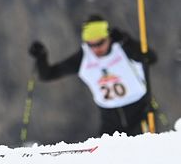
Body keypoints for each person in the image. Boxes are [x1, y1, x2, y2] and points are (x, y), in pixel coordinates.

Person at [28, 14, 157, 136]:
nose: (96, 49)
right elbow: (47, 75)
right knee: (106, 155)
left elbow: (151, 58)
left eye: (100, 43)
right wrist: (41, 57)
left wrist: (128, 41)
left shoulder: (123, 47)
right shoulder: (84, 57)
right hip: (109, 117)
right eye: (91, 44)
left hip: (139, 111)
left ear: (109, 37)